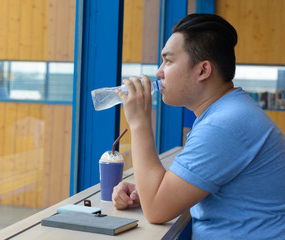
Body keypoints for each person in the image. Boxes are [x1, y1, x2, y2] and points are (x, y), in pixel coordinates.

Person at [113, 13, 285, 239]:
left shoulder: (224, 125)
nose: (159, 72)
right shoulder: (228, 112)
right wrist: (142, 191)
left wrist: (139, 122)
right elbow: (166, 194)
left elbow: (156, 209)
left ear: (203, 70)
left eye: (169, 60)